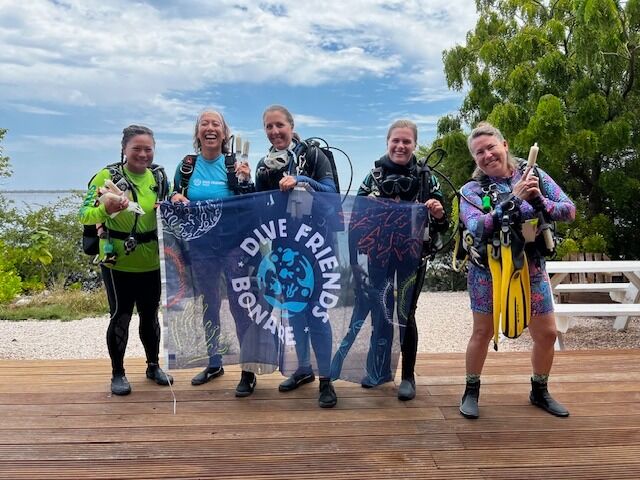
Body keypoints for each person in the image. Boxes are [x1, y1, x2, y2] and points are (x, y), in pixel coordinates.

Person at [458, 121, 576, 419]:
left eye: (490, 147)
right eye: (479, 152)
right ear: (475, 159)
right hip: (487, 270)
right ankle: (471, 390)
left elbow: (569, 210)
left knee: (547, 333)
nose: (487, 155)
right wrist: (516, 200)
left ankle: (540, 390)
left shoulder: (534, 175)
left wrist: (538, 198)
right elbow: (476, 225)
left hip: (531, 266)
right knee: (482, 332)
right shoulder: (471, 190)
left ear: (505, 145)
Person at [349, 119, 447, 401]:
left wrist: (438, 212)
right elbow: (356, 218)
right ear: (387, 142)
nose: (401, 146)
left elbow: (443, 224)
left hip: (411, 258)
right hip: (379, 257)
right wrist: (355, 263)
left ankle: (408, 376)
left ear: (415, 144)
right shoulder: (373, 176)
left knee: (405, 315)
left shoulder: (428, 178)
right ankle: (377, 370)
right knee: (380, 312)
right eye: (396, 141)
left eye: (407, 141)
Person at [254, 104, 339, 408]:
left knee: (317, 313)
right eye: (269, 127)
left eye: (280, 125)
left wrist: (303, 180)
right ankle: (303, 369)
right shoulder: (264, 165)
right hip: (284, 248)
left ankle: (327, 379)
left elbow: (330, 190)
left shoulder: (314, 155)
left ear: (291, 125)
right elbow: (258, 206)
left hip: (317, 245)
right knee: (293, 311)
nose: (275, 132)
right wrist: (243, 182)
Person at [79, 125, 173, 396]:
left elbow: (172, 205)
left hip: (152, 261)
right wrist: (104, 208)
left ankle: (153, 366)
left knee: (149, 315)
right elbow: (84, 215)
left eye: (148, 149)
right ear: (124, 150)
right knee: (120, 316)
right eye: (137, 149)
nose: (143, 154)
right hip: (117, 261)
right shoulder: (106, 176)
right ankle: (118, 373)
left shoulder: (159, 177)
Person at [170, 109, 257, 397]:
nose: (210, 128)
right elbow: (174, 196)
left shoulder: (235, 165)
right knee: (208, 304)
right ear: (198, 133)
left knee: (240, 305)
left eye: (215, 124)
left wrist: (246, 182)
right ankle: (214, 362)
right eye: (204, 124)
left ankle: (248, 370)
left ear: (224, 133)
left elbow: (250, 206)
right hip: (201, 247)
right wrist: (175, 197)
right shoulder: (186, 166)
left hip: (234, 246)